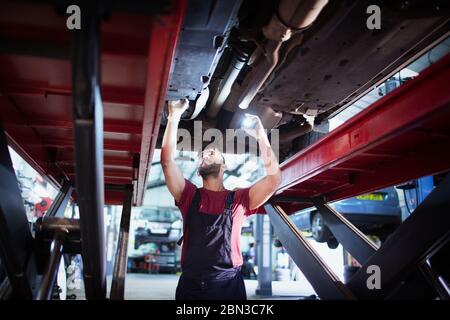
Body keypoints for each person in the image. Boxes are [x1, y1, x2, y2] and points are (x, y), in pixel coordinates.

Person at [161, 99, 281, 300]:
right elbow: (166, 161)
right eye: (204, 155)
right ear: (199, 172)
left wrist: (261, 136)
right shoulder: (189, 195)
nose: (207, 152)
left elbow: (273, 179)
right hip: (191, 285)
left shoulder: (240, 199)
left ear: (224, 166)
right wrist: (174, 116)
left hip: (228, 286)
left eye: (213, 152)